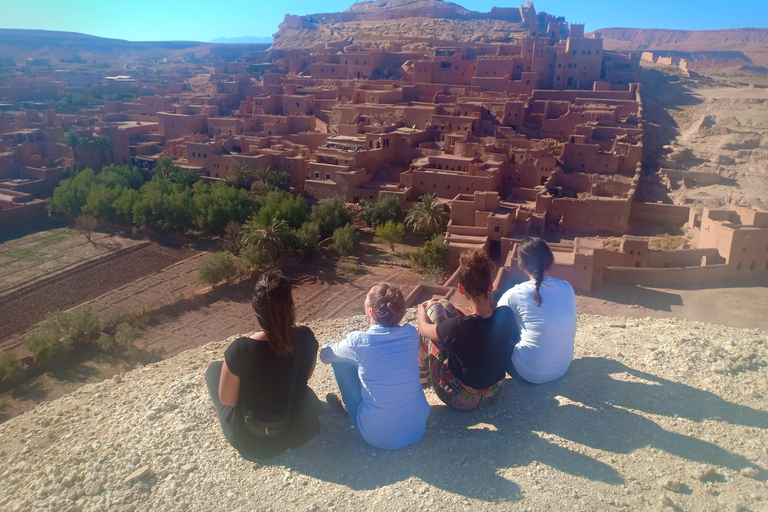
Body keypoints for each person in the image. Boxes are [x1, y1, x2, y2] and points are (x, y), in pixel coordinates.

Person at [205, 269, 320, 459]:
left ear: (257, 310)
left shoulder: (241, 349)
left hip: (251, 435)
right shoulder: (306, 337)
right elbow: (305, 376)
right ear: (290, 306)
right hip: (293, 426)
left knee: (214, 369)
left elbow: (227, 400)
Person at [320, 283, 429, 450]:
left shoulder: (358, 342)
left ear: (370, 311)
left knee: (340, 361)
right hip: (418, 427)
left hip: (376, 435)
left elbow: (325, 355)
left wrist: (336, 347)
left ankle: (349, 405)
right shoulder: (410, 333)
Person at [417, 249, 517, 410]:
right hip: (495, 388)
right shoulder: (507, 314)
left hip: (462, 399)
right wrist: (452, 307)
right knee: (445, 305)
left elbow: (424, 329)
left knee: (434, 308)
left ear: (461, 289)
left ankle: (422, 376)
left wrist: (421, 309)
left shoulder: (456, 328)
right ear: (490, 286)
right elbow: (482, 320)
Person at [497, 237, 577, 384]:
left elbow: (493, 320)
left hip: (528, 373)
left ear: (522, 265)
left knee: (502, 317)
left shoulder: (516, 293)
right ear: (550, 260)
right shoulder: (567, 287)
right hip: (561, 368)